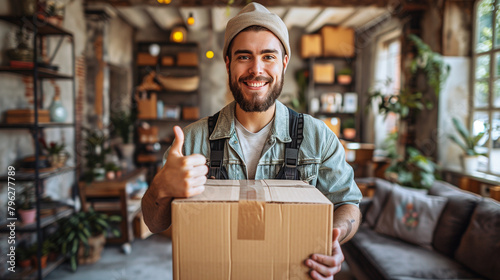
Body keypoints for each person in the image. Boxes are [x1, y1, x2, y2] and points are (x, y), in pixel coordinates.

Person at [142, 3, 362, 279]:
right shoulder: (192, 141)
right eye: (244, 57)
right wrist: (161, 187)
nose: (256, 69)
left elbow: (347, 203)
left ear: (284, 62)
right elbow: (153, 223)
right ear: (228, 63)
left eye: (268, 56)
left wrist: (335, 237)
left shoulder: (318, 138)